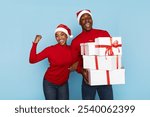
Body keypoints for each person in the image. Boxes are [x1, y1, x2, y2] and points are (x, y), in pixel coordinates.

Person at [70, 9, 113, 100]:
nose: (87, 20)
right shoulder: (76, 41)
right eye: (83, 19)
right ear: (79, 23)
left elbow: (113, 53)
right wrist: (82, 71)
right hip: (87, 78)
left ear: (92, 19)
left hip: (104, 77)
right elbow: (74, 62)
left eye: (88, 17)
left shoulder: (103, 34)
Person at [29, 24, 73, 100]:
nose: (59, 38)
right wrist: (35, 43)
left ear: (67, 36)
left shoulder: (72, 50)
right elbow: (32, 60)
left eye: (62, 34)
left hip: (63, 83)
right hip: (50, 83)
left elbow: (79, 60)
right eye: (57, 36)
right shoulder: (50, 50)